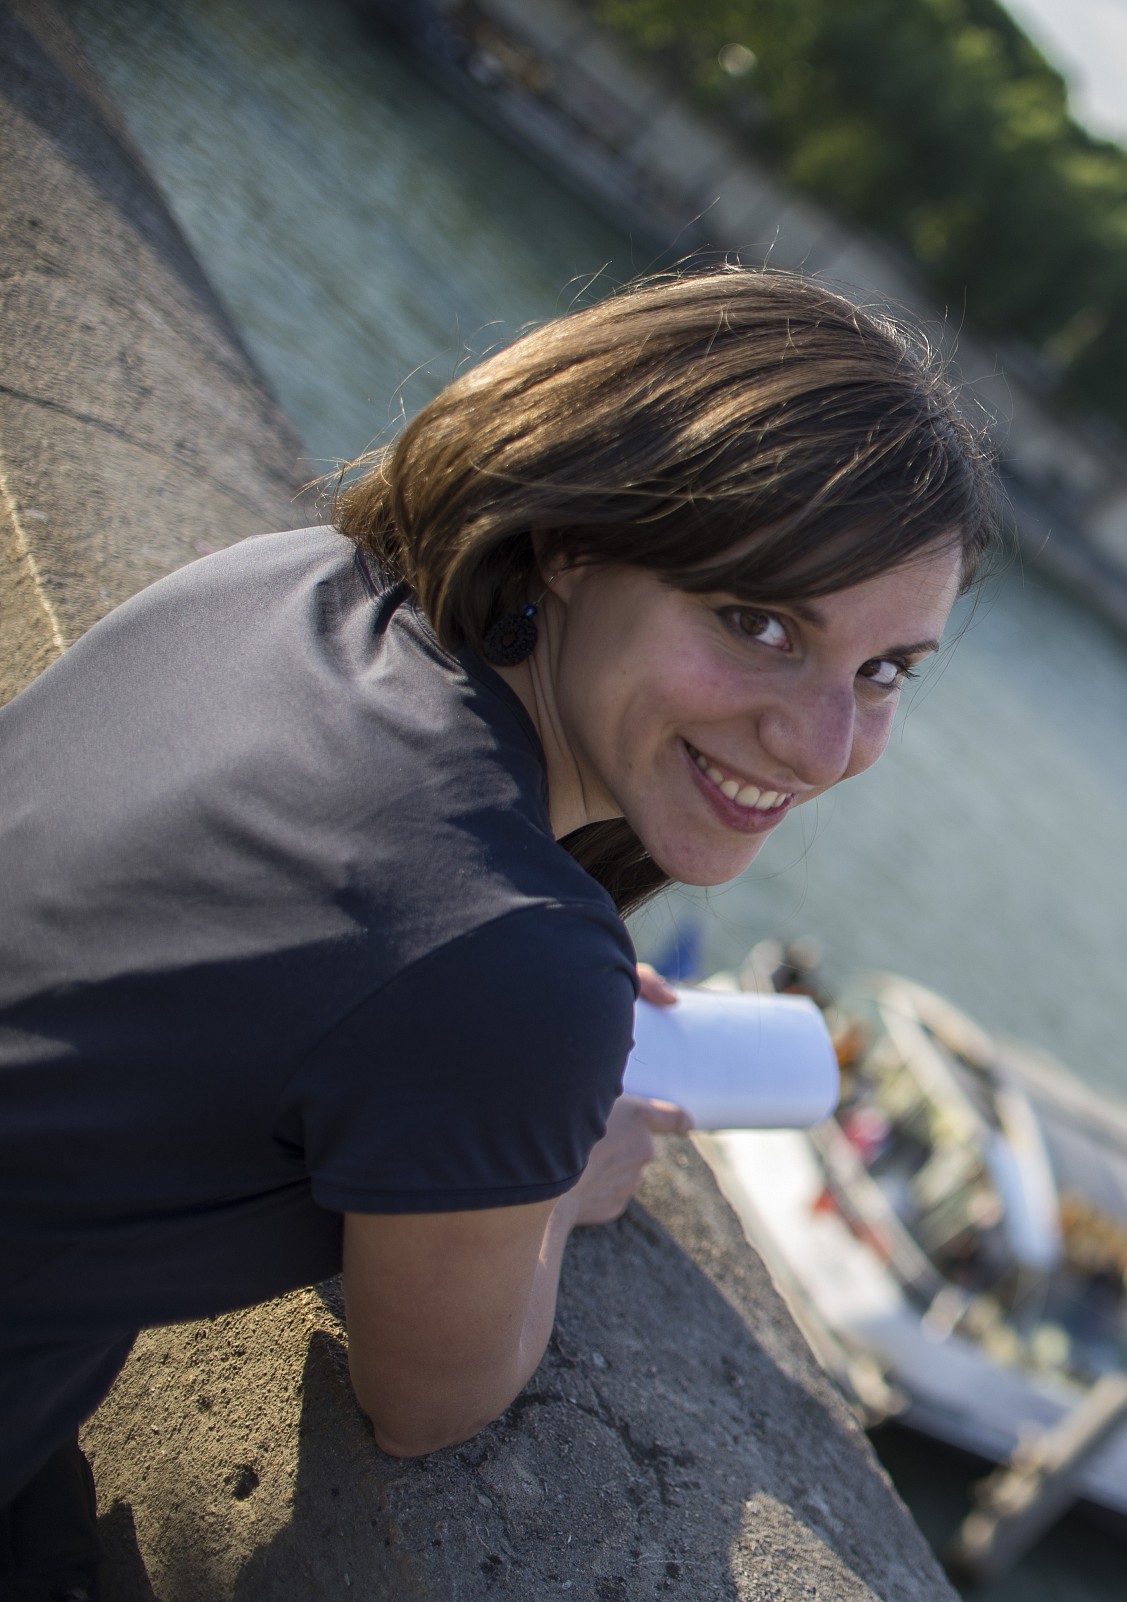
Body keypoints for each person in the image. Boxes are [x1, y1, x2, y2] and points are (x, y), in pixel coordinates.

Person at [0, 268, 995, 1585]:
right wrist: (557, 1177)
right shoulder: (500, 951)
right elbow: (429, 1404)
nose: (823, 744)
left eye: (884, 672)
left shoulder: (296, 586)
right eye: (759, 622)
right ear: (574, 542)